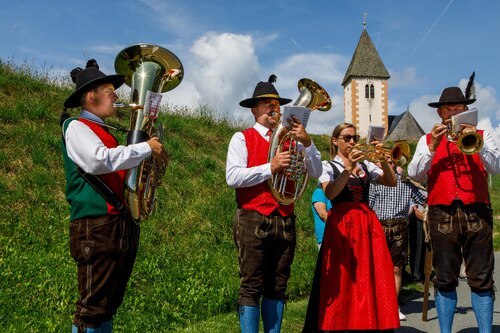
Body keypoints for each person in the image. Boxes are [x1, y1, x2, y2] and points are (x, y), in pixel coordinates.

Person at [61, 60, 167, 333]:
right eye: (109, 90)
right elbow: (99, 161)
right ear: (90, 96)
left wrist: (152, 163)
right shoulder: (76, 126)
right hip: (96, 225)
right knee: (91, 310)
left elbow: (120, 168)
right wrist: (144, 147)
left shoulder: (105, 133)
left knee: (108, 306)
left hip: (117, 223)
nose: (116, 95)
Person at [226, 75, 322, 333]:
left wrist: (307, 142)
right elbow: (232, 177)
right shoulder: (241, 138)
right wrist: (272, 167)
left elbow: (316, 172)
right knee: (251, 285)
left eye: (277, 104)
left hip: (285, 218)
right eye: (267, 104)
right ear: (254, 109)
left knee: (278, 285)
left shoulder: (293, 140)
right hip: (253, 218)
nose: (274, 108)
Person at [408, 86, 500, 333]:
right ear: (440, 114)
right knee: (445, 277)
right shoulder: (426, 140)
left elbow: (496, 168)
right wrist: (433, 147)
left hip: (477, 211)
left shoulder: (483, 134)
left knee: (481, 277)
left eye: (458, 110)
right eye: (448, 110)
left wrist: (478, 145)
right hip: (442, 213)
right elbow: (414, 173)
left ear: (466, 112)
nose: (453, 114)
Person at [303, 123, 400, 332]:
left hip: (366, 225)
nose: (352, 142)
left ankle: (367, 322)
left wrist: (382, 158)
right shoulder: (328, 166)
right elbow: (331, 194)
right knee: (343, 279)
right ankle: (340, 323)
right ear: (335, 140)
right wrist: (347, 169)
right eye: (347, 138)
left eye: (354, 137)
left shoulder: (365, 166)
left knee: (367, 277)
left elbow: (392, 182)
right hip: (343, 226)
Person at [368, 159, 426, 321]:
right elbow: (369, 206)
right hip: (378, 226)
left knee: (397, 268)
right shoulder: (375, 182)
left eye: (392, 162)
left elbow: (423, 199)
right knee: (377, 267)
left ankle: (393, 306)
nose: (388, 165)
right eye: (384, 162)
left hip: (400, 226)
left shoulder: (406, 183)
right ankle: (376, 304)